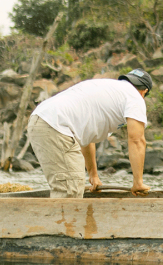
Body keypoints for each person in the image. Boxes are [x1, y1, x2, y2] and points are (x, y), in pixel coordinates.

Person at [27, 69, 153, 199]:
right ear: (144, 91)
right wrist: (138, 183)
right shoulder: (135, 97)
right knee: (70, 190)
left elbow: (87, 138)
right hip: (55, 125)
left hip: (40, 120)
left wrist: (93, 175)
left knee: (69, 186)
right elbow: (136, 140)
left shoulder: (109, 89)